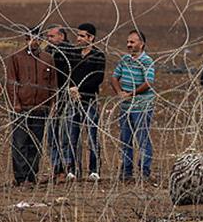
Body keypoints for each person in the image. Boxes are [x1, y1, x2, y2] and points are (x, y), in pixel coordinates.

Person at [5, 27, 57, 186]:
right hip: (22, 107)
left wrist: (52, 103)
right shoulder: (16, 58)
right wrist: (15, 103)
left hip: (40, 108)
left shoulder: (47, 59)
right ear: (26, 39)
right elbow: (11, 82)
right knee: (20, 143)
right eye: (32, 39)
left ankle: (31, 176)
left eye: (38, 39)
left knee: (35, 143)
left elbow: (52, 83)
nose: (35, 42)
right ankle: (21, 178)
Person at [111, 30, 156, 182]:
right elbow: (114, 78)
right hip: (125, 107)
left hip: (141, 107)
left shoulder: (147, 61)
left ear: (141, 44)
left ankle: (144, 172)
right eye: (128, 42)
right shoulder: (125, 60)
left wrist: (130, 94)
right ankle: (127, 172)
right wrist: (119, 92)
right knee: (125, 140)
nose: (129, 45)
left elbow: (148, 82)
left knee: (142, 140)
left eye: (132, 42)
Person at [65, 23, 106, 182]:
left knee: (92, 137)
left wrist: (80, 90)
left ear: (91, 37)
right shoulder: (74, 54)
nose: (78, 38)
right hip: (73, 100)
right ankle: (73, 170)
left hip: (89, 99)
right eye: (78, 35)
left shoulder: (98, 55)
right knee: (73, 136)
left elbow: (98, 77)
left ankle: (94, 170)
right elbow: (67, 73)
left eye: (82, 36)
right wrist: (71, 89)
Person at [45, 25, 80, 183]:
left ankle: (66, 168)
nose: (49, 39)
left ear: (61, 36)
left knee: (66, 134)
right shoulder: (47, 52)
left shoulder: (71, 52)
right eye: (47, 36)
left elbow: (76, 73)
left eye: (52, 36)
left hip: (67, 97)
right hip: (52, 97)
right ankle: (55, 168)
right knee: (53, 134)